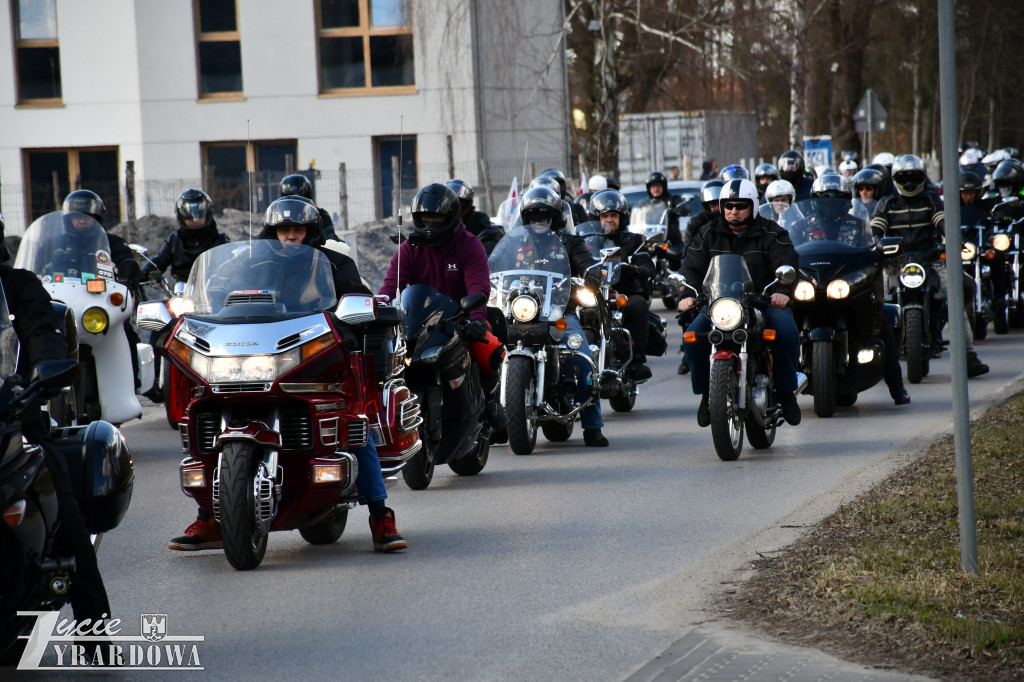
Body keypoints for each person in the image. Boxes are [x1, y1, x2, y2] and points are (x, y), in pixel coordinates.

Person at [169, 197, 407, 553]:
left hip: (317, 360)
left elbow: (358, 299)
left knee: (356, 426)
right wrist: (192, 314)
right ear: (272, 232)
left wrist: (358, 313)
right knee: (211, 416)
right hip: (257, 356)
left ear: (312, 232)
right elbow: (212, 296)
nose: (291, 237)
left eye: (298, 230)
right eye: (284, 230)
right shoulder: (249, 264)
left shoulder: (334, 264)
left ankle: (380, 516)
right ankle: (212, 516)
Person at [0, 215, 114, 644]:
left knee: (65, 513)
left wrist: (44, 369)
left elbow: (41, 330)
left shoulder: (18, 287)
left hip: (12, 422)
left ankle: (96, 636)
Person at [378, 183, 508, 438]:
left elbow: (478, 285)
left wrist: (477, 320)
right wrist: (379, 309)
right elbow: (390, 285)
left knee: (489, 347)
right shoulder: (408, 249)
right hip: (417, 322)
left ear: (451, 217)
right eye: (425, 217)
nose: (430, 222)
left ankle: (491, 397)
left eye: (436, 217)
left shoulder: (469, 244)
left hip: (460, 318)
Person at [677, 178, 803, 426]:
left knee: (786, 333)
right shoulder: (708, 234)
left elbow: (787, 263)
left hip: (762, 303)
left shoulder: (772, 233)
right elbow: (691, 267)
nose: (734, 211)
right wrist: (686, 294)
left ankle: (787, 393)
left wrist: (782, 290)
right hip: (719, 305)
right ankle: (707, 395)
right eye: (729, 206)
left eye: (740, 206)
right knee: (692, 340)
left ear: (753, 206)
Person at [870, 154, 989, 378]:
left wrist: (954, 239)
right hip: (896, 264)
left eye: (914, 176)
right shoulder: (887, 203)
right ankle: (870, 359)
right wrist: (872, 244)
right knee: (876, 304)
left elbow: (943, 222)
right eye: (904, 177)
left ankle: (969, 357)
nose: (909, 182)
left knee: (957, 296)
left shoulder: (931, 200)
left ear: (922, 176)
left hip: (930, 259)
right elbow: (875, 230)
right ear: (895, 178)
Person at [517, 186, 608, 446]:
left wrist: (591, 272)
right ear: (526, 218)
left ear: (555, 218)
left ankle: (592, 425)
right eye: (534, 216)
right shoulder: (516, 243)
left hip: (559, 313)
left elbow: (585, 260)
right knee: (490, 354)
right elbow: (495, 262)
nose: (539, 221)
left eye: (544, 216)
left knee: (583, 358)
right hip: (522, 315)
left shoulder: (569, 243)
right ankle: (499, 419)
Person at [590, 189, 655, 381]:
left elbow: (646, 262)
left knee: (638, 305)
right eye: (604, 216)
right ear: (596, 218)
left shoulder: (633, 240)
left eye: (613, 215)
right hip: (592, 292)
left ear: (621, 217)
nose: (609, 220)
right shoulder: (587, 241)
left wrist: (640, 268)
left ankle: (636, 361)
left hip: (622, 293)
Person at [141, 189, 229, 283]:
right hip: (183, 292)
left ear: (208, 214)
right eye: (189, 217)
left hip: (212, 291)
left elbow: (232, 264)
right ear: (181, 217)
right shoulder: (174, 242)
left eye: (200, 216)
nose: (195, 221)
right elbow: (159, 260)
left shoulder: (220, 241)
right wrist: (144, 272)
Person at [446, 179, 505, 255]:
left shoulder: (479, 220)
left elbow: (487, 237)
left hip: (471, 261)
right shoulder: (443, 221)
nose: (456, 207)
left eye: (459, 202)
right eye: (453, 203)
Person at [279, 173, 341, 243]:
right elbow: (265, 241)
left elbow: (330, 238)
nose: (291, 237)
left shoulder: (319, 215)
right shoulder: (277, 216)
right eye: (284, 230)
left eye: (299, 229)